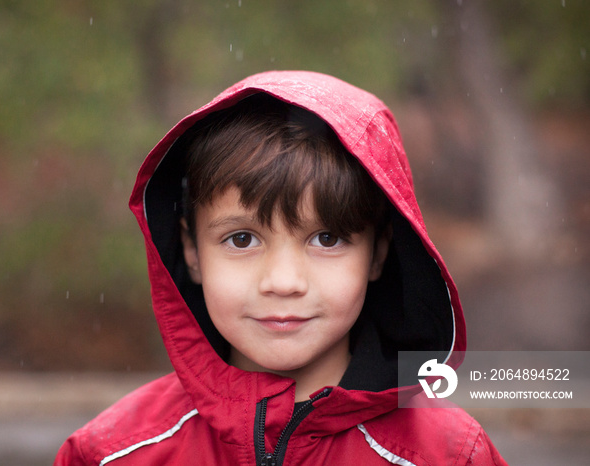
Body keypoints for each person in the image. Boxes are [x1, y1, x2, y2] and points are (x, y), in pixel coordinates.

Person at [54, 70, 507, 465]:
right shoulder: (114, 453)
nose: (284, 282)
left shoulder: (448, 455)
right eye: (242, 239)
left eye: (326, 238)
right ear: (191, 251)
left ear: (379, 253)